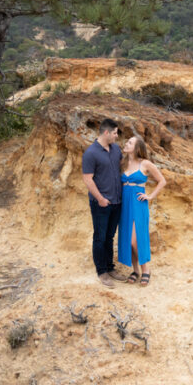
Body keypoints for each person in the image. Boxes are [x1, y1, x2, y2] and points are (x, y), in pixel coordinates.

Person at [117, 134, 166, 287]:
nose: (126, 143)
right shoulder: (122, 163)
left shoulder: (145, 164)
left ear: (137, 147)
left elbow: (162, 181)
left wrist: (150, 196)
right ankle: (135, 270)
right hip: (124, 202)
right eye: (127, 141)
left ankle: (146, 270)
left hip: (138, 203)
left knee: (135, 239)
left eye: (130, 142)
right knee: (127, 240)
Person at [81, 118, 125, 287]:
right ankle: (102, 272)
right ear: (106, 132)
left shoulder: (116, 149)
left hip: (116, 202)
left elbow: (121, 167)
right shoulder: (91, 153)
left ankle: (110, 267)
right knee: (99, 237)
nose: (116, 136)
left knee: (110, 236)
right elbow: (87, 179)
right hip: (101, 203)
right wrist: (100, 198)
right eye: (115, 133)